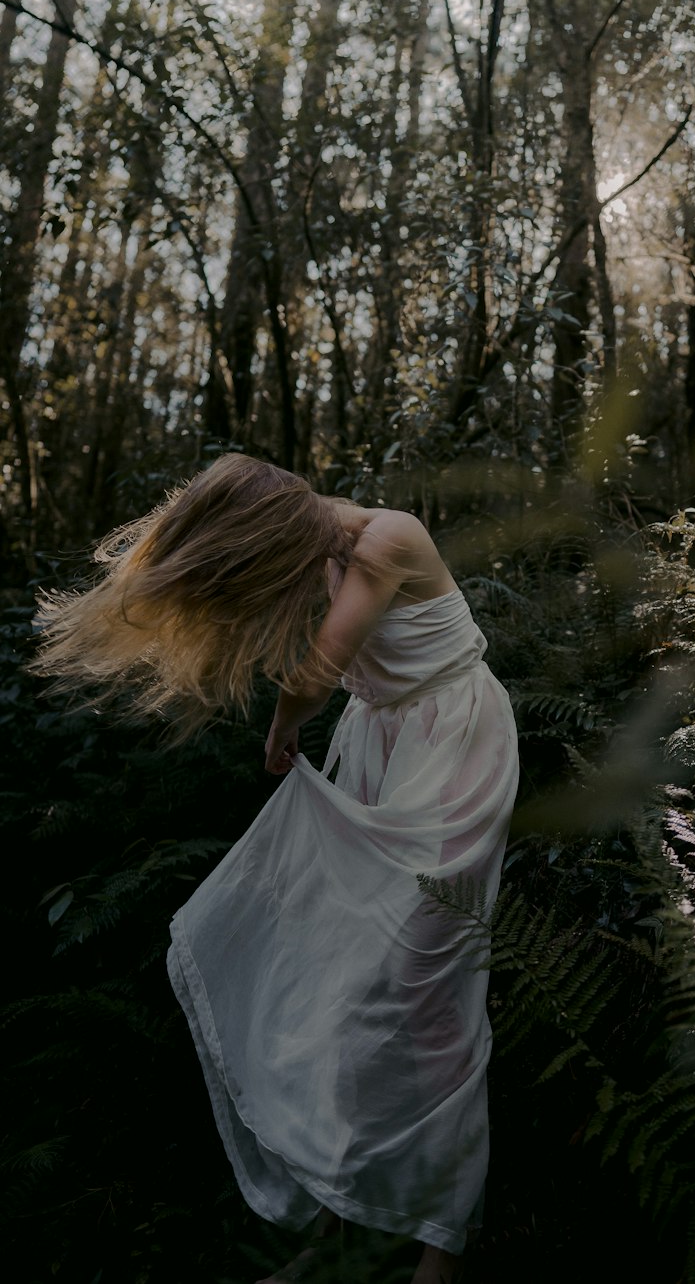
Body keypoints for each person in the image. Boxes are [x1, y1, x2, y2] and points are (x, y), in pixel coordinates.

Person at [31, 454, 519, 1284]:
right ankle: (335, 1228)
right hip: (378, 745)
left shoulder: (386, 540)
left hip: (451, 752)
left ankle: (441, 1248)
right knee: (338, 980)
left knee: (425, 989)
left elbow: (319, 671)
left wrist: (282, 729)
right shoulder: (322, 555)